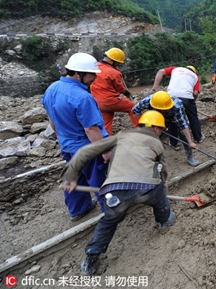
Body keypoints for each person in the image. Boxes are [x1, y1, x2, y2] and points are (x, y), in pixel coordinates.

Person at [62, 111, 176, 276]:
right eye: (161, 130)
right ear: (156, 128)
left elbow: (85, 152)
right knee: (159, 199)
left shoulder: (120, 136)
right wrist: (162, 190)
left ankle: (91, 258)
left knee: (108, 221)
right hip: (146, 189)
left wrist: (71, 175)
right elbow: (162, 169)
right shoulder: (156, 143)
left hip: (114, 191)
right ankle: (164, 220)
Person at [41, 53, 108, 221]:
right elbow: (91, 129)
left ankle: (78, 209)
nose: (94, 78)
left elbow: (52, 118)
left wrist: (60, 138)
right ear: (79, 73)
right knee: (98, 180)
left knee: (75, 177)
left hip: (68, 147)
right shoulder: (82, 97)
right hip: (87, 149)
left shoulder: (52, 89)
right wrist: (105, 151)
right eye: (92, 74)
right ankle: (111, 213)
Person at [132, 91, 199, 166]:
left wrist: (190, 142)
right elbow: (135, 110)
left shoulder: (176, 106)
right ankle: (149, 157)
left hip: (173, 115)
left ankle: (190, 157)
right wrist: (147, 122)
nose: (166, 110)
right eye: (165, 109)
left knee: (183, 135)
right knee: (150, 134)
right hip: (157, 116)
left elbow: (183, 124)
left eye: (167, 108)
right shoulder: (147, 101)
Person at [90, 48, 139, 136]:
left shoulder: (95, 67)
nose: (118, 65)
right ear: (112, 61)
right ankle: (140, 131)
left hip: (97, 101)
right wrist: (126, 92)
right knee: (133, 108)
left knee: (106, 123)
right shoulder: (114, 72)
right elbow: (120, 88)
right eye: (118, 63)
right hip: (110, 101)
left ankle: (106, 141)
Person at [152, 65, 205, 145]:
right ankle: (198, 137)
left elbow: (161, 71)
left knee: (172, 118)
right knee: (193, 117)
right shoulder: (195, 76)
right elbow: (195, 93)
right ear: (193, 71)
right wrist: (192, 102)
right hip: (187, 98)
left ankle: (174, 143)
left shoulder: (176, 69)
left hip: (170, 97)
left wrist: (155, 87)